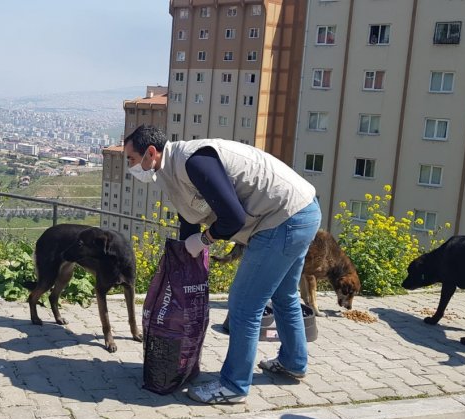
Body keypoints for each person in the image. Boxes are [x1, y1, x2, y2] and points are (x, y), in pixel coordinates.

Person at [123, 125, 320, 404]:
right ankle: (293, 362)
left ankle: (234, 386)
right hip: (302, 209)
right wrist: (184, 256)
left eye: (131, 159)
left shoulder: (195, 161)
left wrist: (203, 241)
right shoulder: (170, 167)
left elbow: (233, 218)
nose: (130, 166)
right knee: (284, 294)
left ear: (150, 152)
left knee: (243, 305)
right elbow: (188, 217)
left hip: (283, 218)